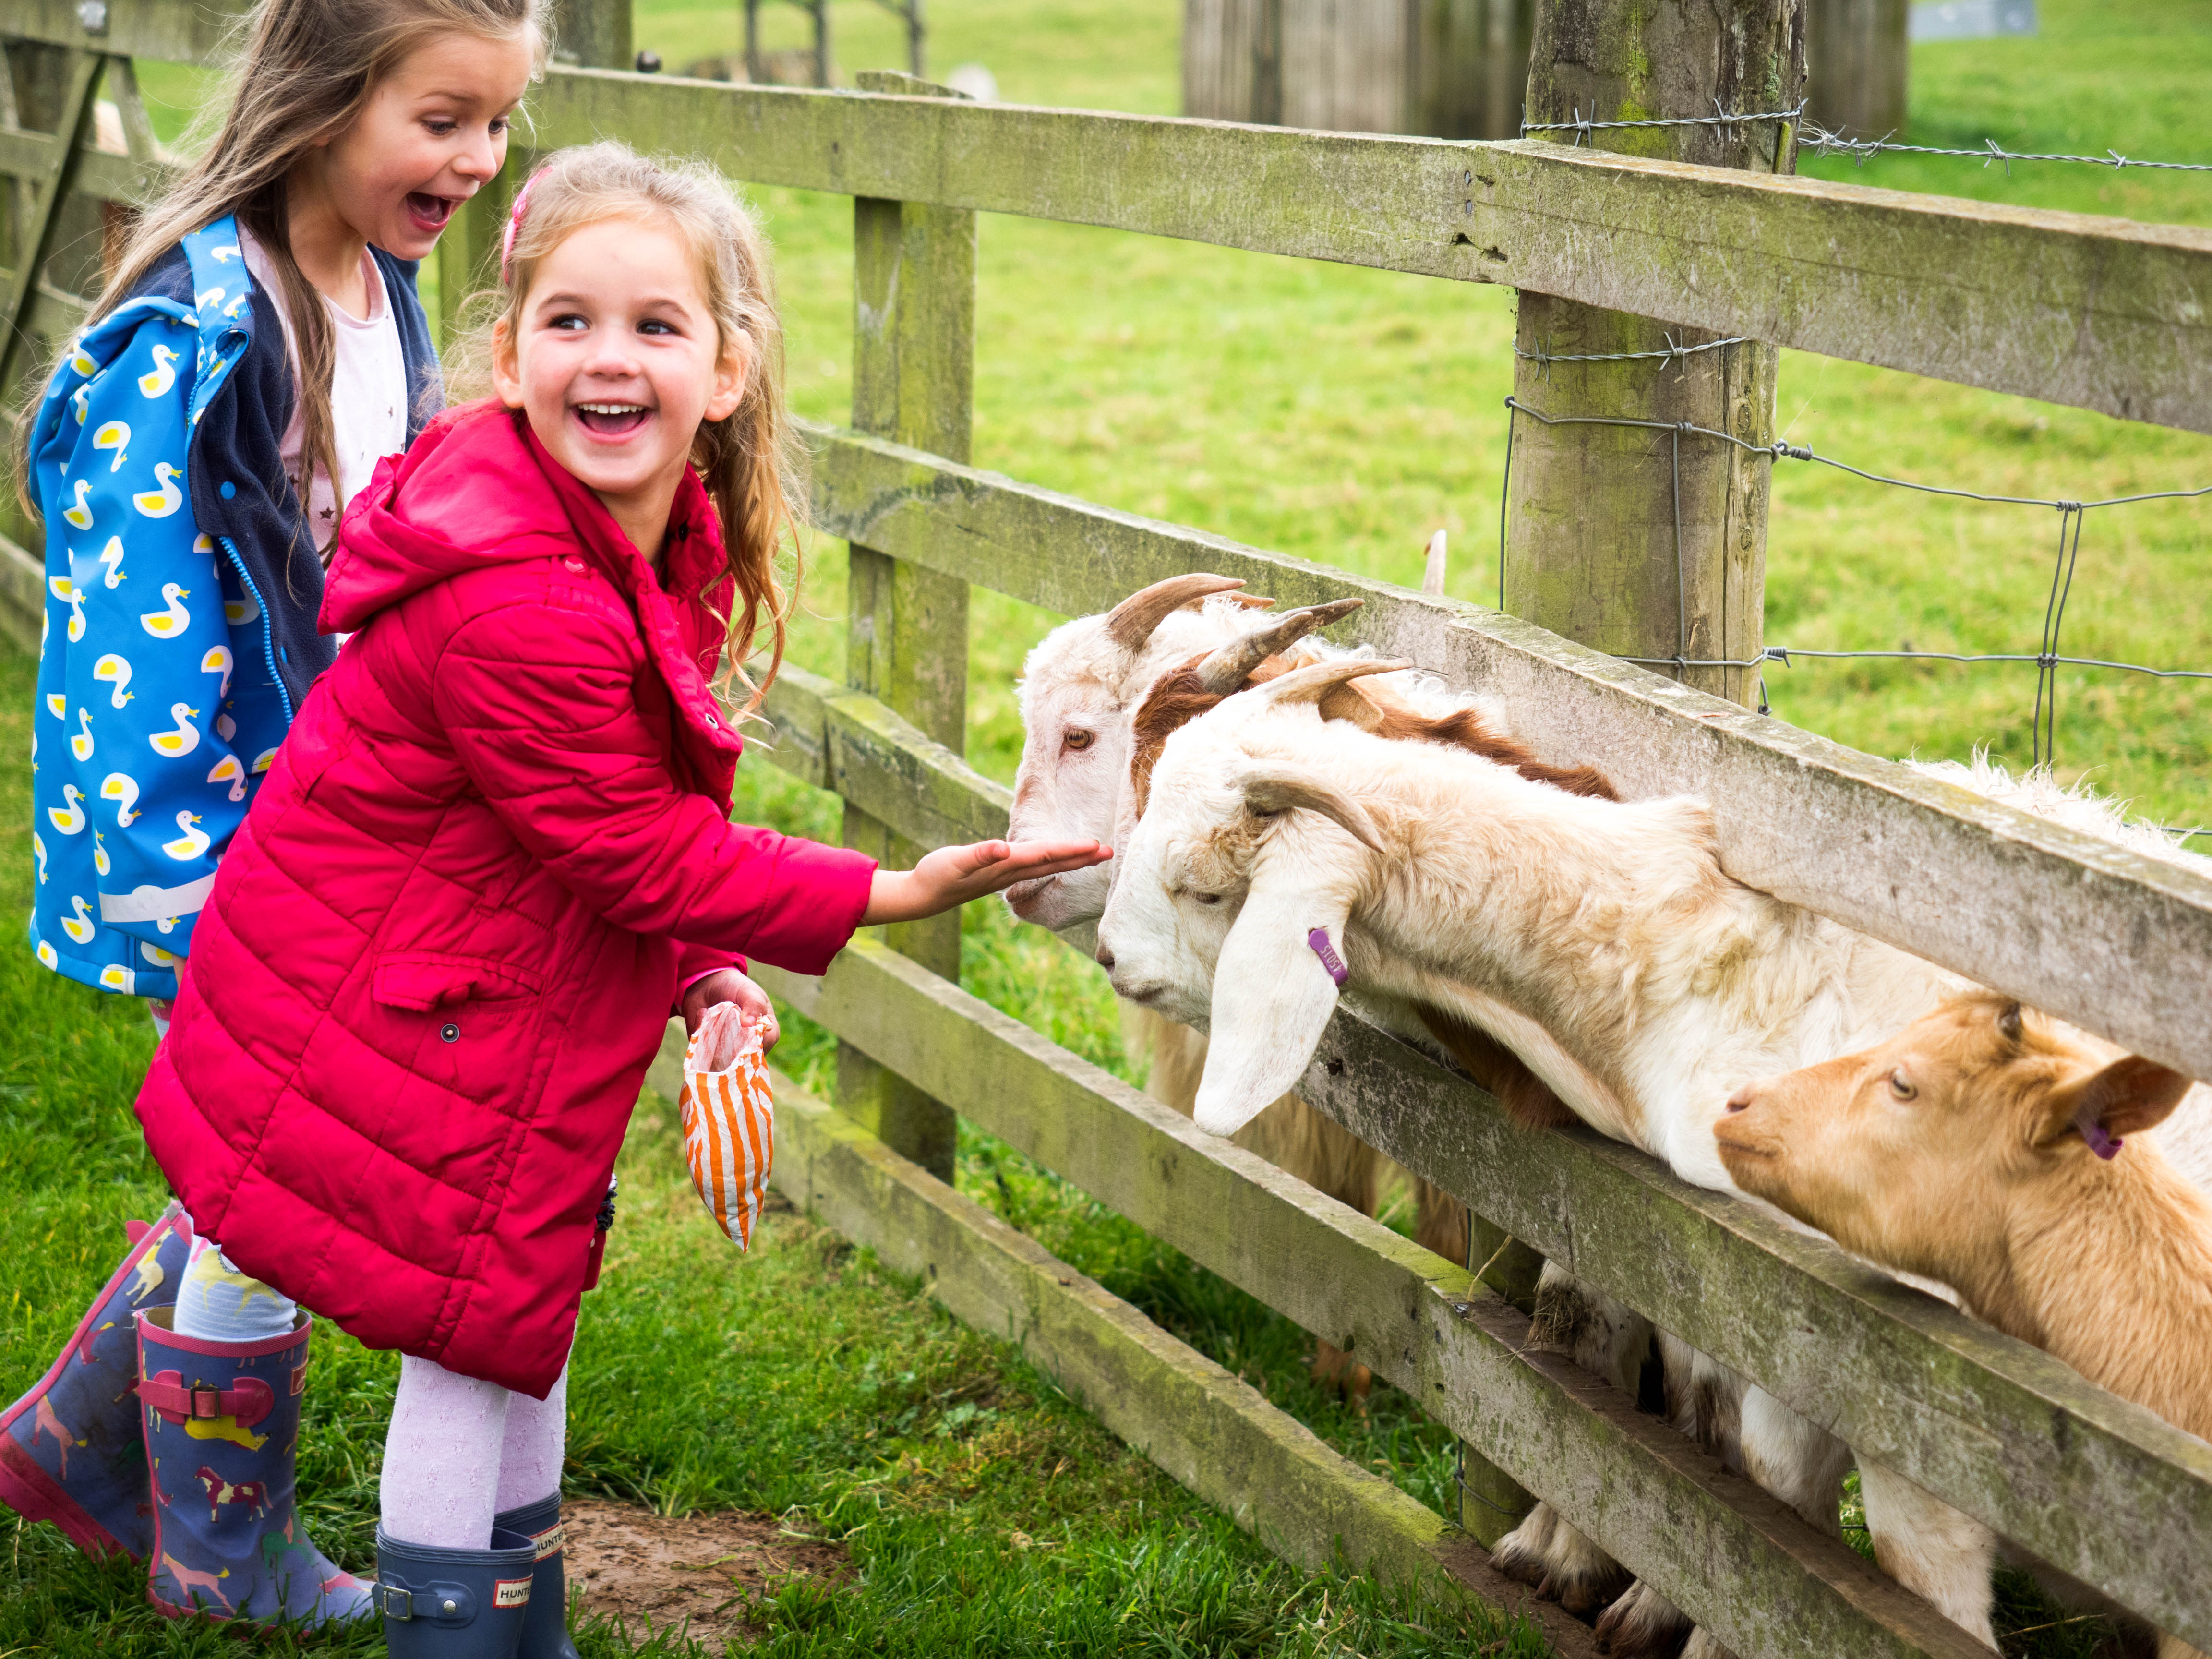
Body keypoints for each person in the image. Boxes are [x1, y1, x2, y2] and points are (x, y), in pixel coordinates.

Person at [128, 139, 1111, 1659]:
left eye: (656, 326)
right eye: (570, 320)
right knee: (475, 1328)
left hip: (445, 975)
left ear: (727, 369)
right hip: (402, 999)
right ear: (509, 351)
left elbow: (606, 822)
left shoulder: (632, 535)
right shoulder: (518, 591)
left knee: (516, 1320)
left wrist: (703, 961)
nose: (610, 356)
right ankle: (450, 1636)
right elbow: (629, 845)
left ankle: (515, 1627)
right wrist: (885, 891)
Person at [2, 0, 540, 1631]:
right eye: (445, 117)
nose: (480, 157)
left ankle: (74, 1447)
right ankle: (222, 1560)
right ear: (325, 99)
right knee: (282, 1175)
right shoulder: (200, 331)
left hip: (334, 824)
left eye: (502, 123)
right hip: (220, 839)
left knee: (264, 1162)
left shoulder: (376, 289)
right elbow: (133, 642)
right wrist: (188, 882)